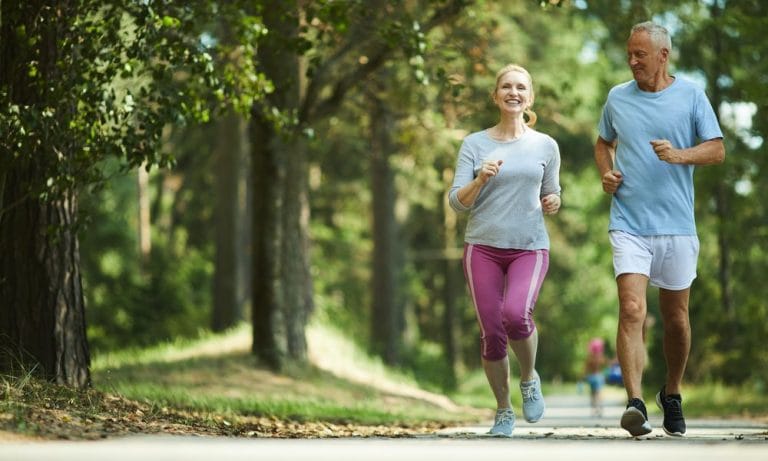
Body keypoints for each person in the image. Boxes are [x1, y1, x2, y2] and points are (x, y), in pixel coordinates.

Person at [594, 21, 725, 437]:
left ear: (663, 56)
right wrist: (607, 173)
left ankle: (671, 392)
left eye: (640, 55)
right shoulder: (617, 97)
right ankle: (634, 403)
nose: (632, 61)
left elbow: (717, 149)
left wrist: (679, 155)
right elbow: (603, 143)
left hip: (677, 226)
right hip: (629, 221)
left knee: (676, 320)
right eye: (629, 54)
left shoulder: (691, 95)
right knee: (632, 309)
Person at [449, 63, 561, 437]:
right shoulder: (474, 144)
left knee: (516, 315)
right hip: (482, 247)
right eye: (507, 87)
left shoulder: (545, 145)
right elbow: (456, 202)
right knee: (492, 333)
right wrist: (480, 178)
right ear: (495, 95)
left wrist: (553, 201)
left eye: (521, 88)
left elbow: (552, 191)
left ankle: (529, 378)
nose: (514, 92)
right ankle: (503, 410)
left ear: (529, 97)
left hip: (529, 247)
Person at [584, 338, 607, 417]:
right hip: (599, 376)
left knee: (592, 394)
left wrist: (584, 375)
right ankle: (600, 407)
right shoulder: (600, 358)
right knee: (599, 393)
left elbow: (586, 368)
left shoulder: (590, 358)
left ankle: (594, 409)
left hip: (592, 377)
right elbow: (604, 365)